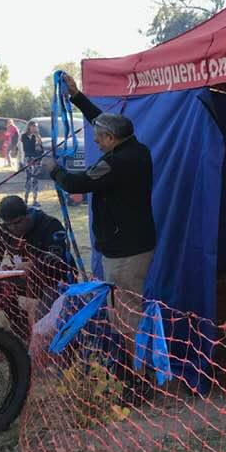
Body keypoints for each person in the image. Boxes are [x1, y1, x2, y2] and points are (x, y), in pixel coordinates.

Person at [40, 73, 156, 384]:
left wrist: (54, 169)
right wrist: (77, 97)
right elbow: (102, 123)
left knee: (126, 312)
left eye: (99, 137)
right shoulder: (135, 148)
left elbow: (76, 184)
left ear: (111, 139)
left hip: (126, 251)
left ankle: (136, 377)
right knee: (120, 308)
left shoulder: (117, 162)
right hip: (129, 245)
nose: (94, 141)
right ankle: (130, 368)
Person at [0, 195, 76, 343]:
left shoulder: (49, 225)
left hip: (55, 282)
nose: (13, 228)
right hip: (27, 280)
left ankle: (54, 344)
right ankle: (21, 327)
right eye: (9, 224)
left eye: (17, 222)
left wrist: (33, 265)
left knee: (41, 321)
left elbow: (58, 259)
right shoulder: (4, 230)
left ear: (26, 215)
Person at [21, 120, 44, 206]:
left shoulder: (37, 136)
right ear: (29, 127)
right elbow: (27, 148)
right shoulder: (24, 136)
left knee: (35, 179)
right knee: (29, 179)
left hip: (37, 159)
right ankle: (26, 199)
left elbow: (41, 150)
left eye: (36, 126)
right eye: (33, 126)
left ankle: (35, 200)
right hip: (29, 159)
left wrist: (38, 140)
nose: (35, 128)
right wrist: (34, 138)